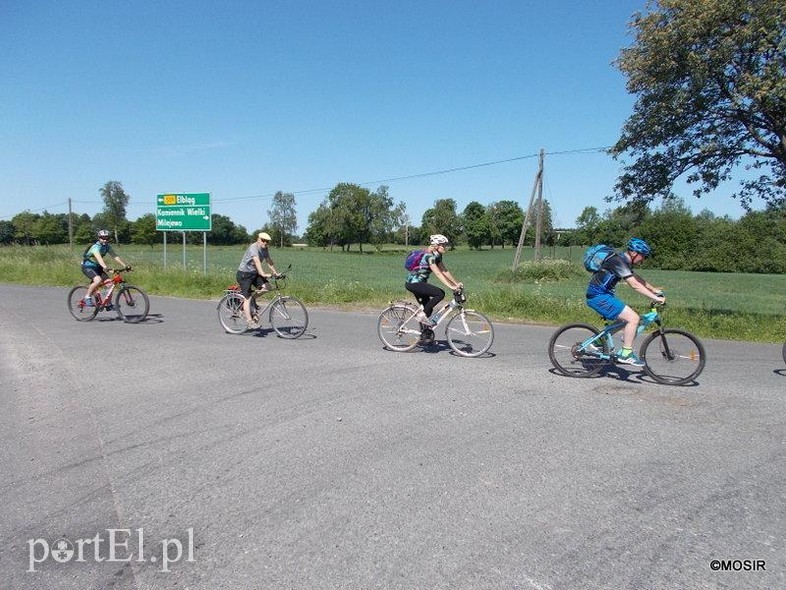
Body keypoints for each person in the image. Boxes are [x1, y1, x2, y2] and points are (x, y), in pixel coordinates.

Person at [586, 237, 665, 367]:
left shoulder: (623, 261)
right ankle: (626, 354)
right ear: (634, 253)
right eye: (643, 256)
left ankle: (599, 342)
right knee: (633, 318)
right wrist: (655, 298)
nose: (643, 260)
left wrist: (654, 290)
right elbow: (634, 284)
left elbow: (636, 278)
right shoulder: (618, 261)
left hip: (602, 295)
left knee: (625, 320)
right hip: (598, 297)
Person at [405, 234, 463, 327]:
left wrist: (456, 283)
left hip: (420, 283)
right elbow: (438, 273)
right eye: (443, 245)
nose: (445, 247)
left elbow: (444, 271)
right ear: (436, 245)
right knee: (440, 294)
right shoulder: (429, 256)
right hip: (413, 283)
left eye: (445, 245)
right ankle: (421, 315)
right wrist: (451, 286)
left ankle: (425, 335)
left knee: (428, 309)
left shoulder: (437, 256)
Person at [237, 232, 280, 327]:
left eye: (267, 241)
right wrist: (262, 273)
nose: (265, 243)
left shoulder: (265, 249)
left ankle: (252, 300)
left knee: (267, 287)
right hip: (244, 274)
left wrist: (275, 272)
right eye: (263, 240)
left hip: (254, 274)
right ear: (258, 239)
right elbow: (256, 261)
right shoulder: (254, 247)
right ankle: (249, 321)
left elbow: (269, 260)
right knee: (247, 297)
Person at [81, 229, 130, 307]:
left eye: (107, 238)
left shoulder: (107, 247)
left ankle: (108, 304)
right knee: (98, 280)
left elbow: (115, 256)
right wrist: (107, 268)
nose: (105, 240)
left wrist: (125, 265)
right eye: (102, 238)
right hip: (88, 267)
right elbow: (99, 259)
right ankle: (87, 297)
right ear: (99, 238)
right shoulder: (95, 247)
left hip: (98, 268)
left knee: (110, 284)